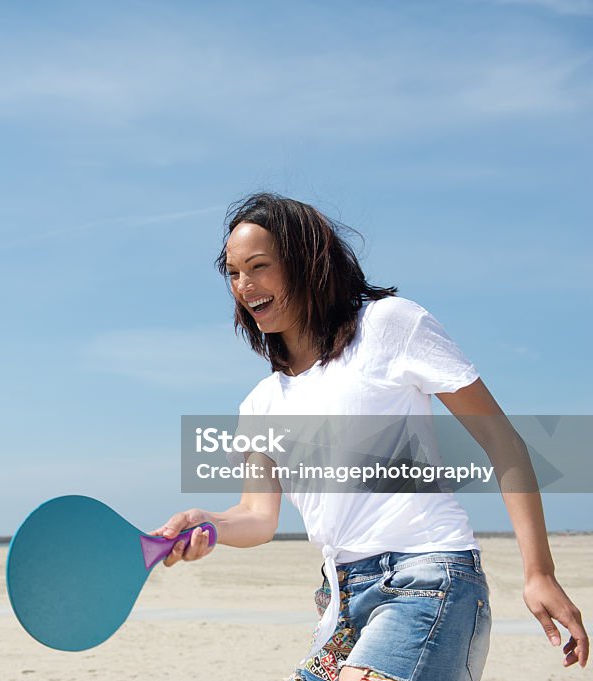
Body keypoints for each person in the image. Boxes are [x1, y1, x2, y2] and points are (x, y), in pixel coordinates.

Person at [151, 193, 588, 681]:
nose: (244, 285)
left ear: (305, 263)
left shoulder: (388, 325)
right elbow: (257, 517)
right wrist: (206, 521)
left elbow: (502, 440)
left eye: (258, 266)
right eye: (233, 273)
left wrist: (539, 573)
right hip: (340, 602)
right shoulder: (260, 404)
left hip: (428, 578)